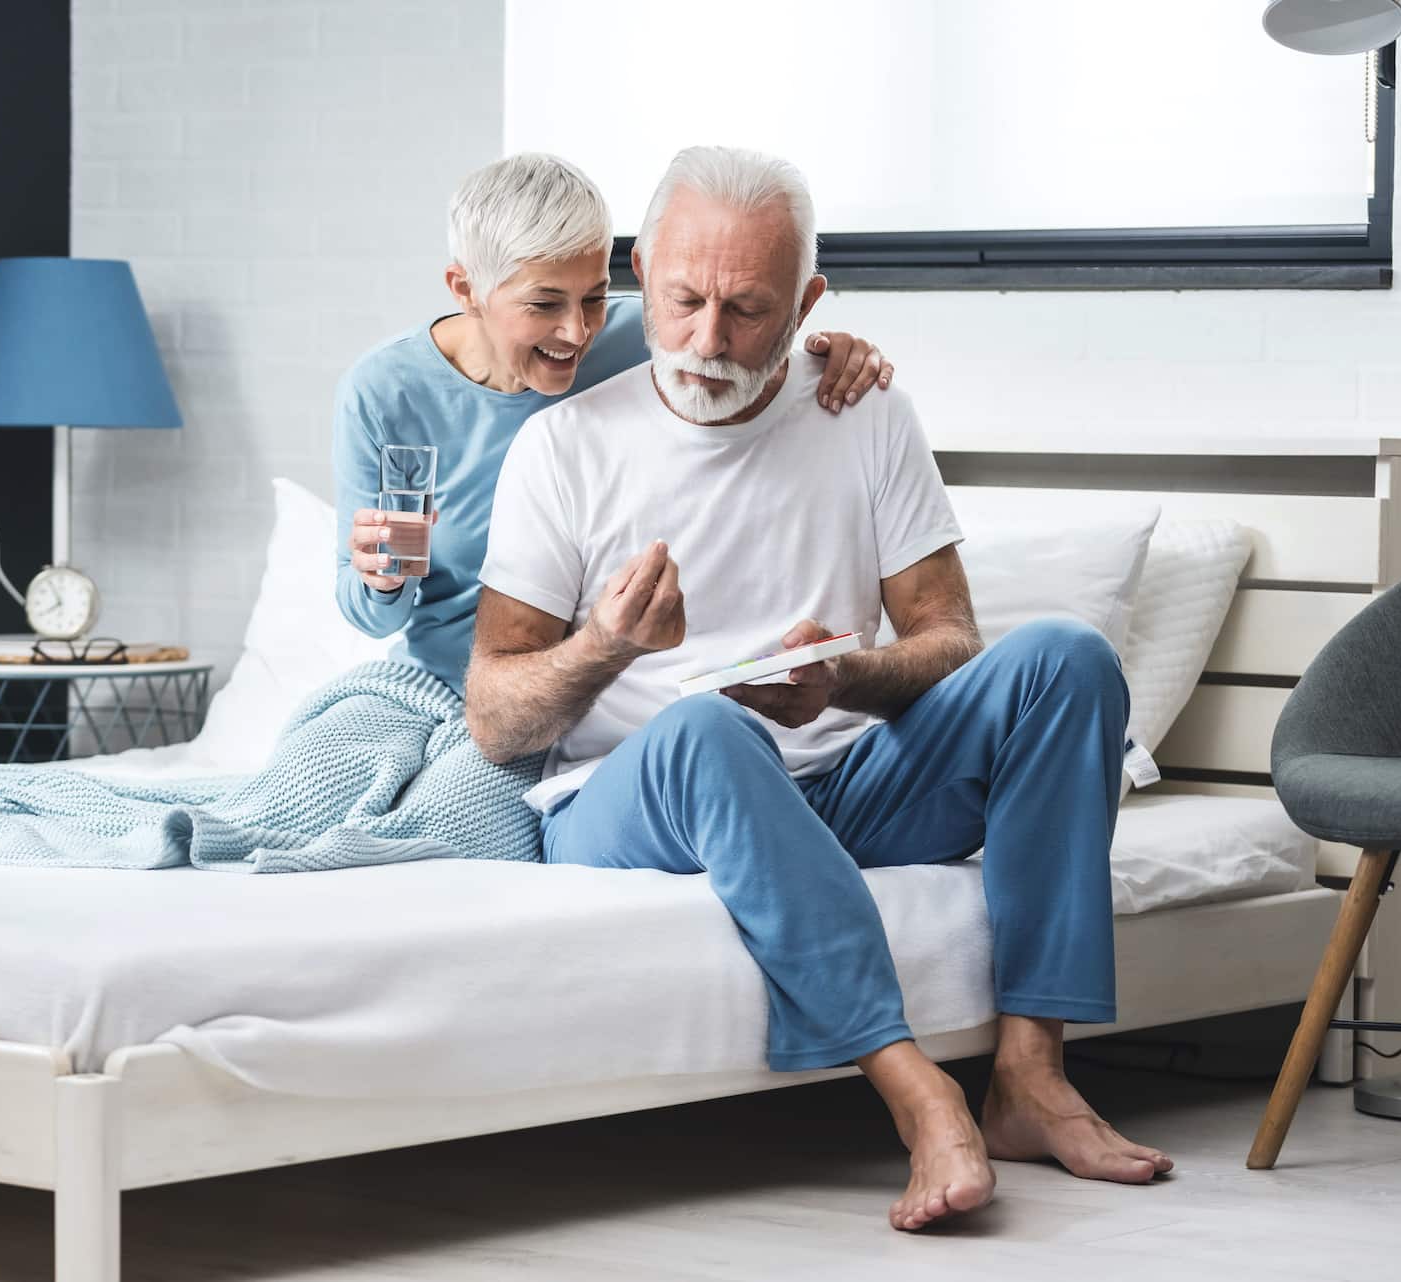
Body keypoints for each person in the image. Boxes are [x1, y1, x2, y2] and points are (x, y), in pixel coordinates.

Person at [466, 145, 1172, 1233]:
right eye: (684, 299)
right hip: (633, 796)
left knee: (1066, 659)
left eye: (748, 311)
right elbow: (495, 715)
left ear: (808, 302)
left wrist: (847, 674)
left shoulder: (865, 412)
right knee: (707, 727)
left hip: (837, 783)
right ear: (642, 272)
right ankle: (916, 1088)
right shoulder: (564, 447)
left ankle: (1030, 1073)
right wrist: (604, 645)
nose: (708, 341)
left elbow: (950, 638)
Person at [332, 152, 893, 696]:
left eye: (594, 297)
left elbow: (747, 344)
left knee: (448, 798)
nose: (578, 333)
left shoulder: (637, 339)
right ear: (466, 290)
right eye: (545, 304)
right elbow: (374, 620)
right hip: (426, 676)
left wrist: (832, 350)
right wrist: (383, 579)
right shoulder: (386, 391)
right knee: (310, 780)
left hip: (555, 689)